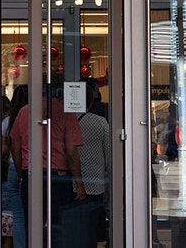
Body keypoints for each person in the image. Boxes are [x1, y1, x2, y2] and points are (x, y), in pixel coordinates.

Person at [10, 74, 85, 248]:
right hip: (59, 178)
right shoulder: (66, 113)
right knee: (58, 225)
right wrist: (79, 182)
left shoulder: (25, 111)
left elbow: (15, 146)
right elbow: (71, 151)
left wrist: (22, 173)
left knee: (32, 224)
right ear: (61, 91)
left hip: (32, 175)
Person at [71, 78, 109, 248]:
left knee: (75, 222)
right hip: (96, 179)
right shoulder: (100, 122)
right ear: (92, 101)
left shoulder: (67, 121)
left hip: (72, 179)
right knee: (93, 221)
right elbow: (109, 154)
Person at [1, 85, 28, 248]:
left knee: (18, 214)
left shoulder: (7, 121)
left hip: (13, 167)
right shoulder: (35, 117)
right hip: (35, 167)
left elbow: (5, 149)